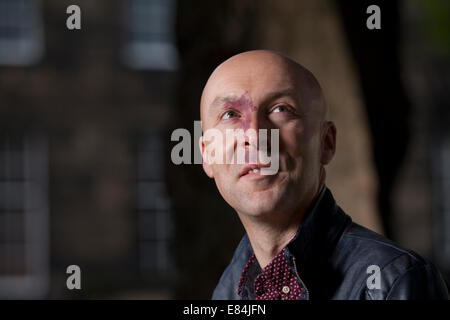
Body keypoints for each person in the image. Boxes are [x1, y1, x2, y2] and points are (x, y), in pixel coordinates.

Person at [198, 50, 449, 300]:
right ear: (207, 155)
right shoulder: (225, 293)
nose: (254, 135)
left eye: (280, 109)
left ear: (326, 143)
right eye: (230, 115)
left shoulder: (394, 283)